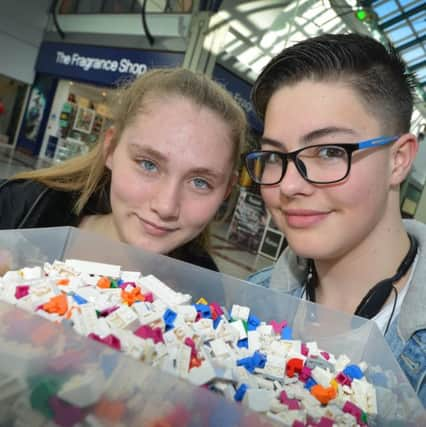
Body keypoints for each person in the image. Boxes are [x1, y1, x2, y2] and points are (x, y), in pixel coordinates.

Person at [244, 33, 425, 405]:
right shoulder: (250, 302)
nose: (290, 185)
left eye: (328, 151)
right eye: (275, 156)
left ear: (399, 159)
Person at [0, 68, 247, 271]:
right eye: (148, 164)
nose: (166, 206)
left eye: (200, 182)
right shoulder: (18, 209)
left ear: (226, 191)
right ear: (110, 149)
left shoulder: (207, 297)